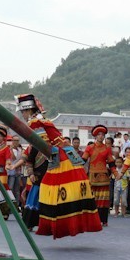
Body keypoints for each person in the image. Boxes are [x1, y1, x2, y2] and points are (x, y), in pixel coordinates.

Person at [14, 94, 100, 238]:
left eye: (23, 112)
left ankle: (55, 226)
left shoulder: (34, 122)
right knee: (66, 193)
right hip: (66, 153)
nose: (22, 115)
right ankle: (59, 225)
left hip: (59, 156)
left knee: (53, 192)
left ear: (28, 110)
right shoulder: (41, 119)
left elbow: (44, 144)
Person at [81, 124, 116, 225]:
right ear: (95, 136)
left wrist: (116, 174)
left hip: (104, 178)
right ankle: (92, 220)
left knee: (103, 200)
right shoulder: (90, 147)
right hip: (92, 177)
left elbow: (111, 163)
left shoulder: (107, 148)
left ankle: (103, 220)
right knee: (92, 199)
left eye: (103, 134)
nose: (101, 136)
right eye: (99, 134)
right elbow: (83, 160)